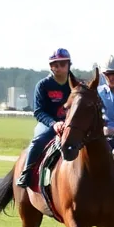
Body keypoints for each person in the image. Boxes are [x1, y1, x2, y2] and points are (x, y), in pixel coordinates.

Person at [17, 48, 73, 187]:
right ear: (50, 67)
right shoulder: (43, 85)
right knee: (38, 142)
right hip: (49, 124)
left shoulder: (76, 85)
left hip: (72, 124)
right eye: (55, 64)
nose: (58, 67)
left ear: (68, 65)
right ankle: (27, 173)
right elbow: (39, 111)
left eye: (62, 64)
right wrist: (54, 123)